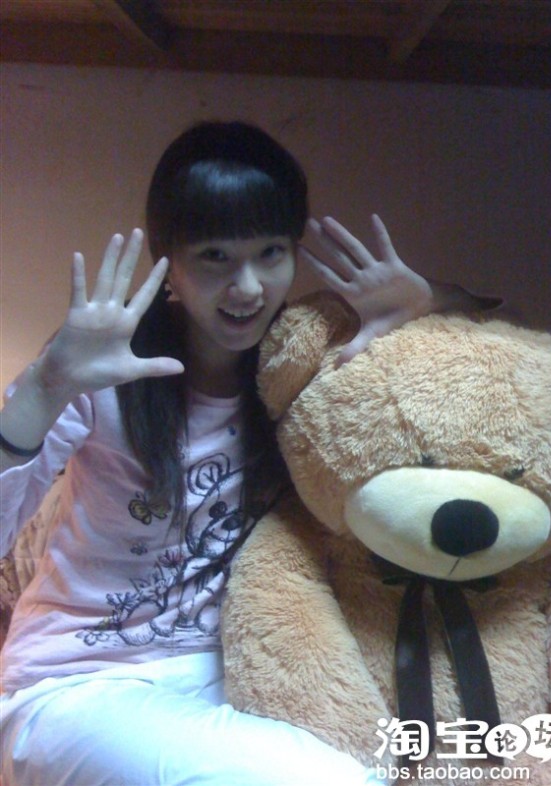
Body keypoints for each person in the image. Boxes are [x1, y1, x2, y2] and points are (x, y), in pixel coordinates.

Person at [0, 121, 497, 786]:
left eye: (270, 253)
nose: (248, 287)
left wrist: (428, 300)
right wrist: (42, 389)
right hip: (81, 683)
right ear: (168, 260)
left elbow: (493, 320)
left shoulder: (297, 359)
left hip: (243, 671)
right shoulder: (103, 369)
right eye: (214, 256)